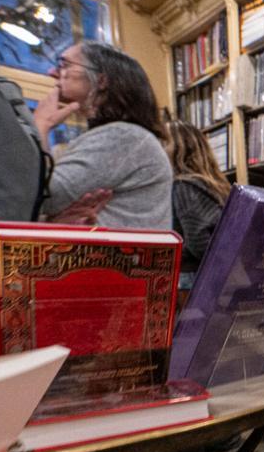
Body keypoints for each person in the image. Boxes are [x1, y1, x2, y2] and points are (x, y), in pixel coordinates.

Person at [33, 41, 173, 230]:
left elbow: (42, 197)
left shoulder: (123, 137)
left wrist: (40, 125)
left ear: (101, 81)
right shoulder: (127, 137)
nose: (52, 72)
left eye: (65, 65)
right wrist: (52, 221)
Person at [166, 119, 231, 286]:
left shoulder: (183, 186)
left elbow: (198, 241)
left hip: (193, 277)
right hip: (218, 273)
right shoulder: (218, 186)